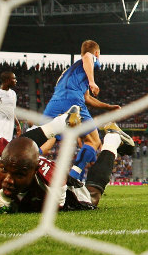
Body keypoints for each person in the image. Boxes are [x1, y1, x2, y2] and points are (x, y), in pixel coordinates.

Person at [0, 105, 135, 214]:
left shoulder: (52, 184)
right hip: (24, 158)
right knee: (20, 151)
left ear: (33, 173)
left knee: (92, 198)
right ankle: (61, 123)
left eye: (19, 175)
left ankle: (112, 139)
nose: (8, 180)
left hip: (61, 185)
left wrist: (10, 204)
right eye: (4, 170)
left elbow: (50, 206)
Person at [41, 40, 120, 186]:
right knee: (94, 141)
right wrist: (92, 81)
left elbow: (87, 98)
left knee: (47, 139)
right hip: (73, 102)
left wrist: (108, 107)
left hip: (54, 103)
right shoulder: (90, 58)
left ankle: (23, 165)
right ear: (97, 53)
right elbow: (88, 57)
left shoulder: (69, 72)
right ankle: (73, 177)